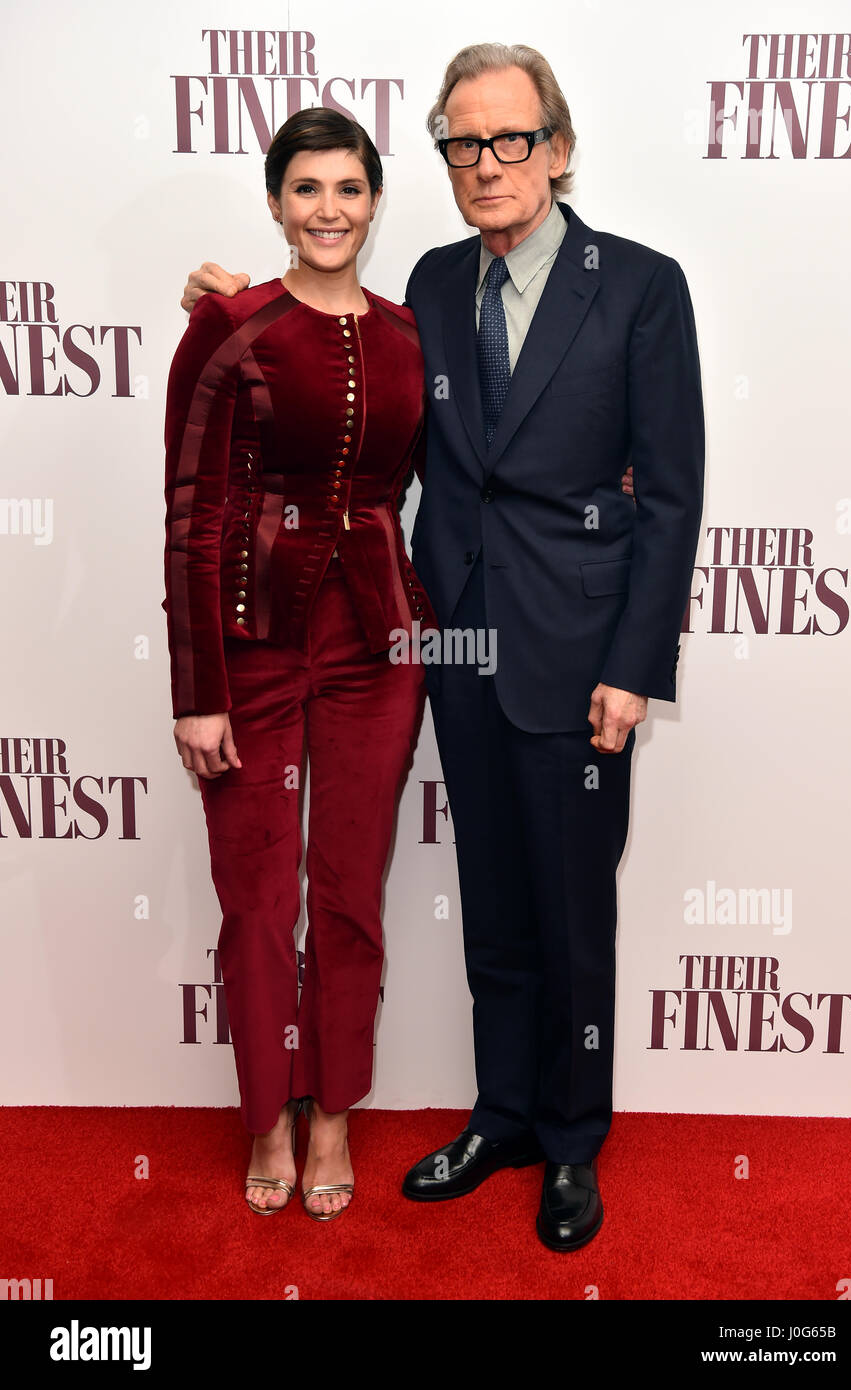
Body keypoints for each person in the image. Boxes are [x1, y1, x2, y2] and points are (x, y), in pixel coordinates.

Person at [181, 41, 702, 1253]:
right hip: (452, 648)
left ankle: (571, 1144)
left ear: (557, 151)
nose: (484, 163)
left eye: (509, 139)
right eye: (461, 143)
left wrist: (632, 667)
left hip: (581, 663)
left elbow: (671, 499)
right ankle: (504, 1113)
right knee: (495, 916)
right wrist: (240, 308)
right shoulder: (426, 280)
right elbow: (339, 382)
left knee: (574, 915)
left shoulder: (637, 286)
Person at [163, 107, 432, 1220]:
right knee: (259, 898)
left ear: (375, 203)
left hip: (380, 642)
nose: (330, 210)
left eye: (349, 189)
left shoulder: (411, 331)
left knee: (351, 892)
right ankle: (267, 1113)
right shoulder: (229, 326)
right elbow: (191, 511)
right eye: (307, 189)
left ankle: (334, 1115)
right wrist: (197, 694)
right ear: (275, 202)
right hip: (253, 639)